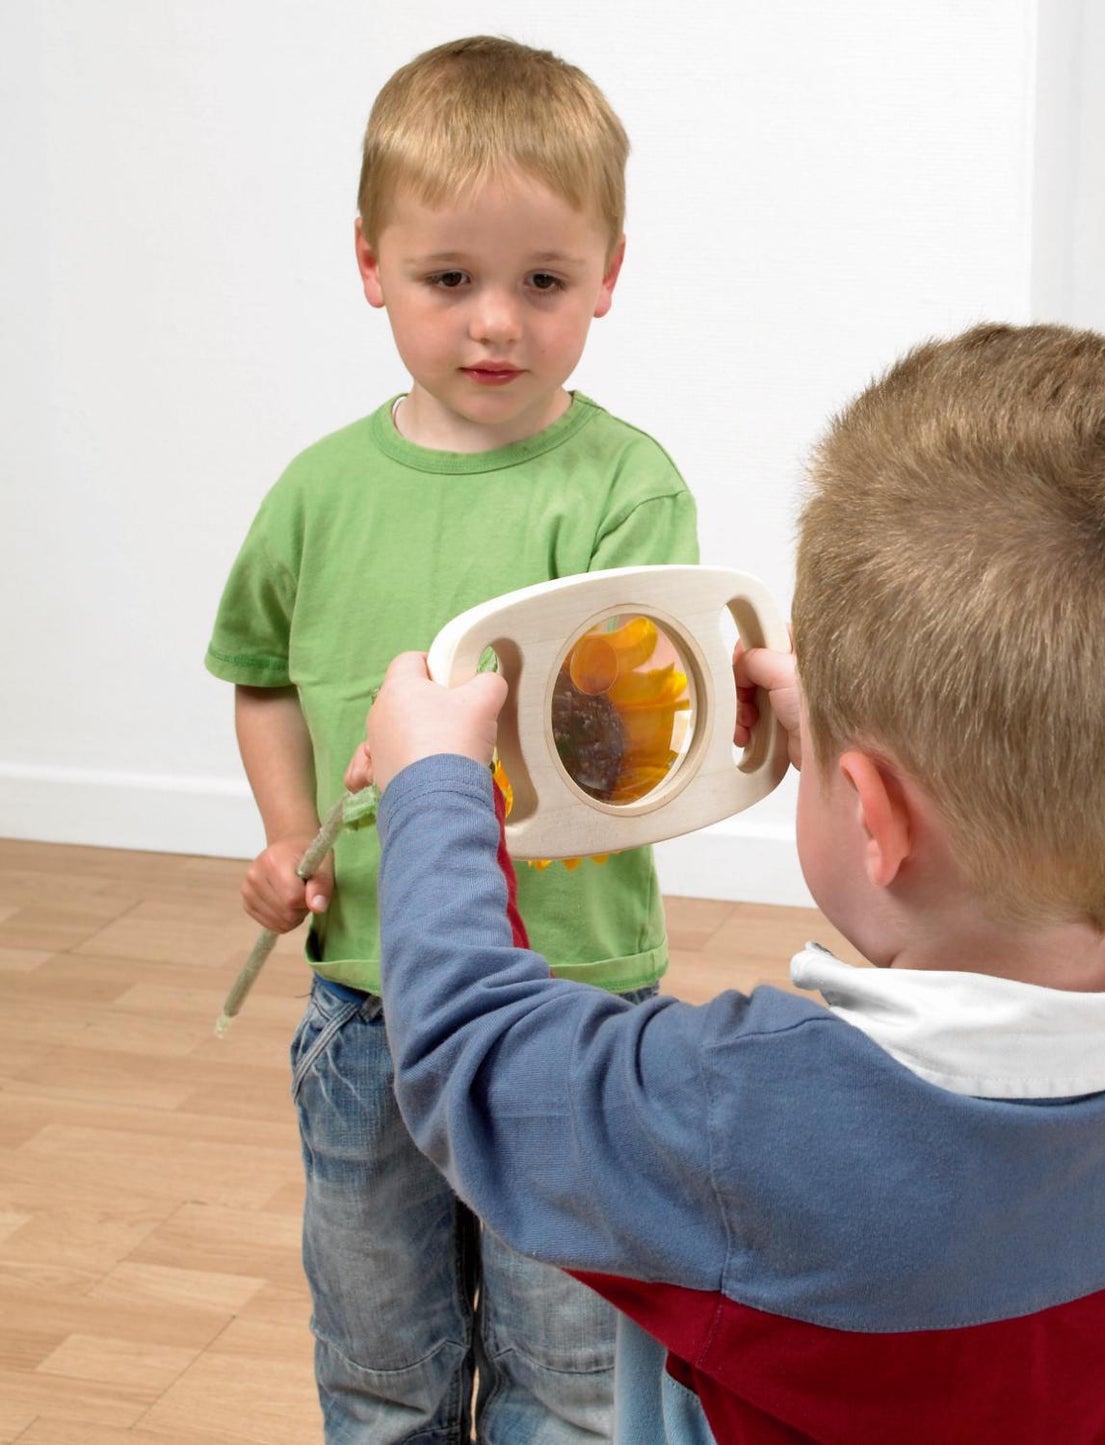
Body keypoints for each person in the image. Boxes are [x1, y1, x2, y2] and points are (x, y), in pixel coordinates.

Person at [353, 323, 1105, 1444]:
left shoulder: (752, 1116)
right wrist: (848, 734)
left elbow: (472, 1062)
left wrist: (432, 785)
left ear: (871, 817)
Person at [204, 36, 698, 1444]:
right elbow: (256, 674)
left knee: (573, 1373)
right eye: (448, 280)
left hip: (569, 1003)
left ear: (608, 275)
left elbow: (632, 739)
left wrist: (443, 766)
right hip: (367, 1007)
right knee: (379, 1367)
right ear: (371, 264)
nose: (496, 324)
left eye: (543, 283)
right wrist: (287, 831)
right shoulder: (316, 494)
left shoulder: (625, 488)